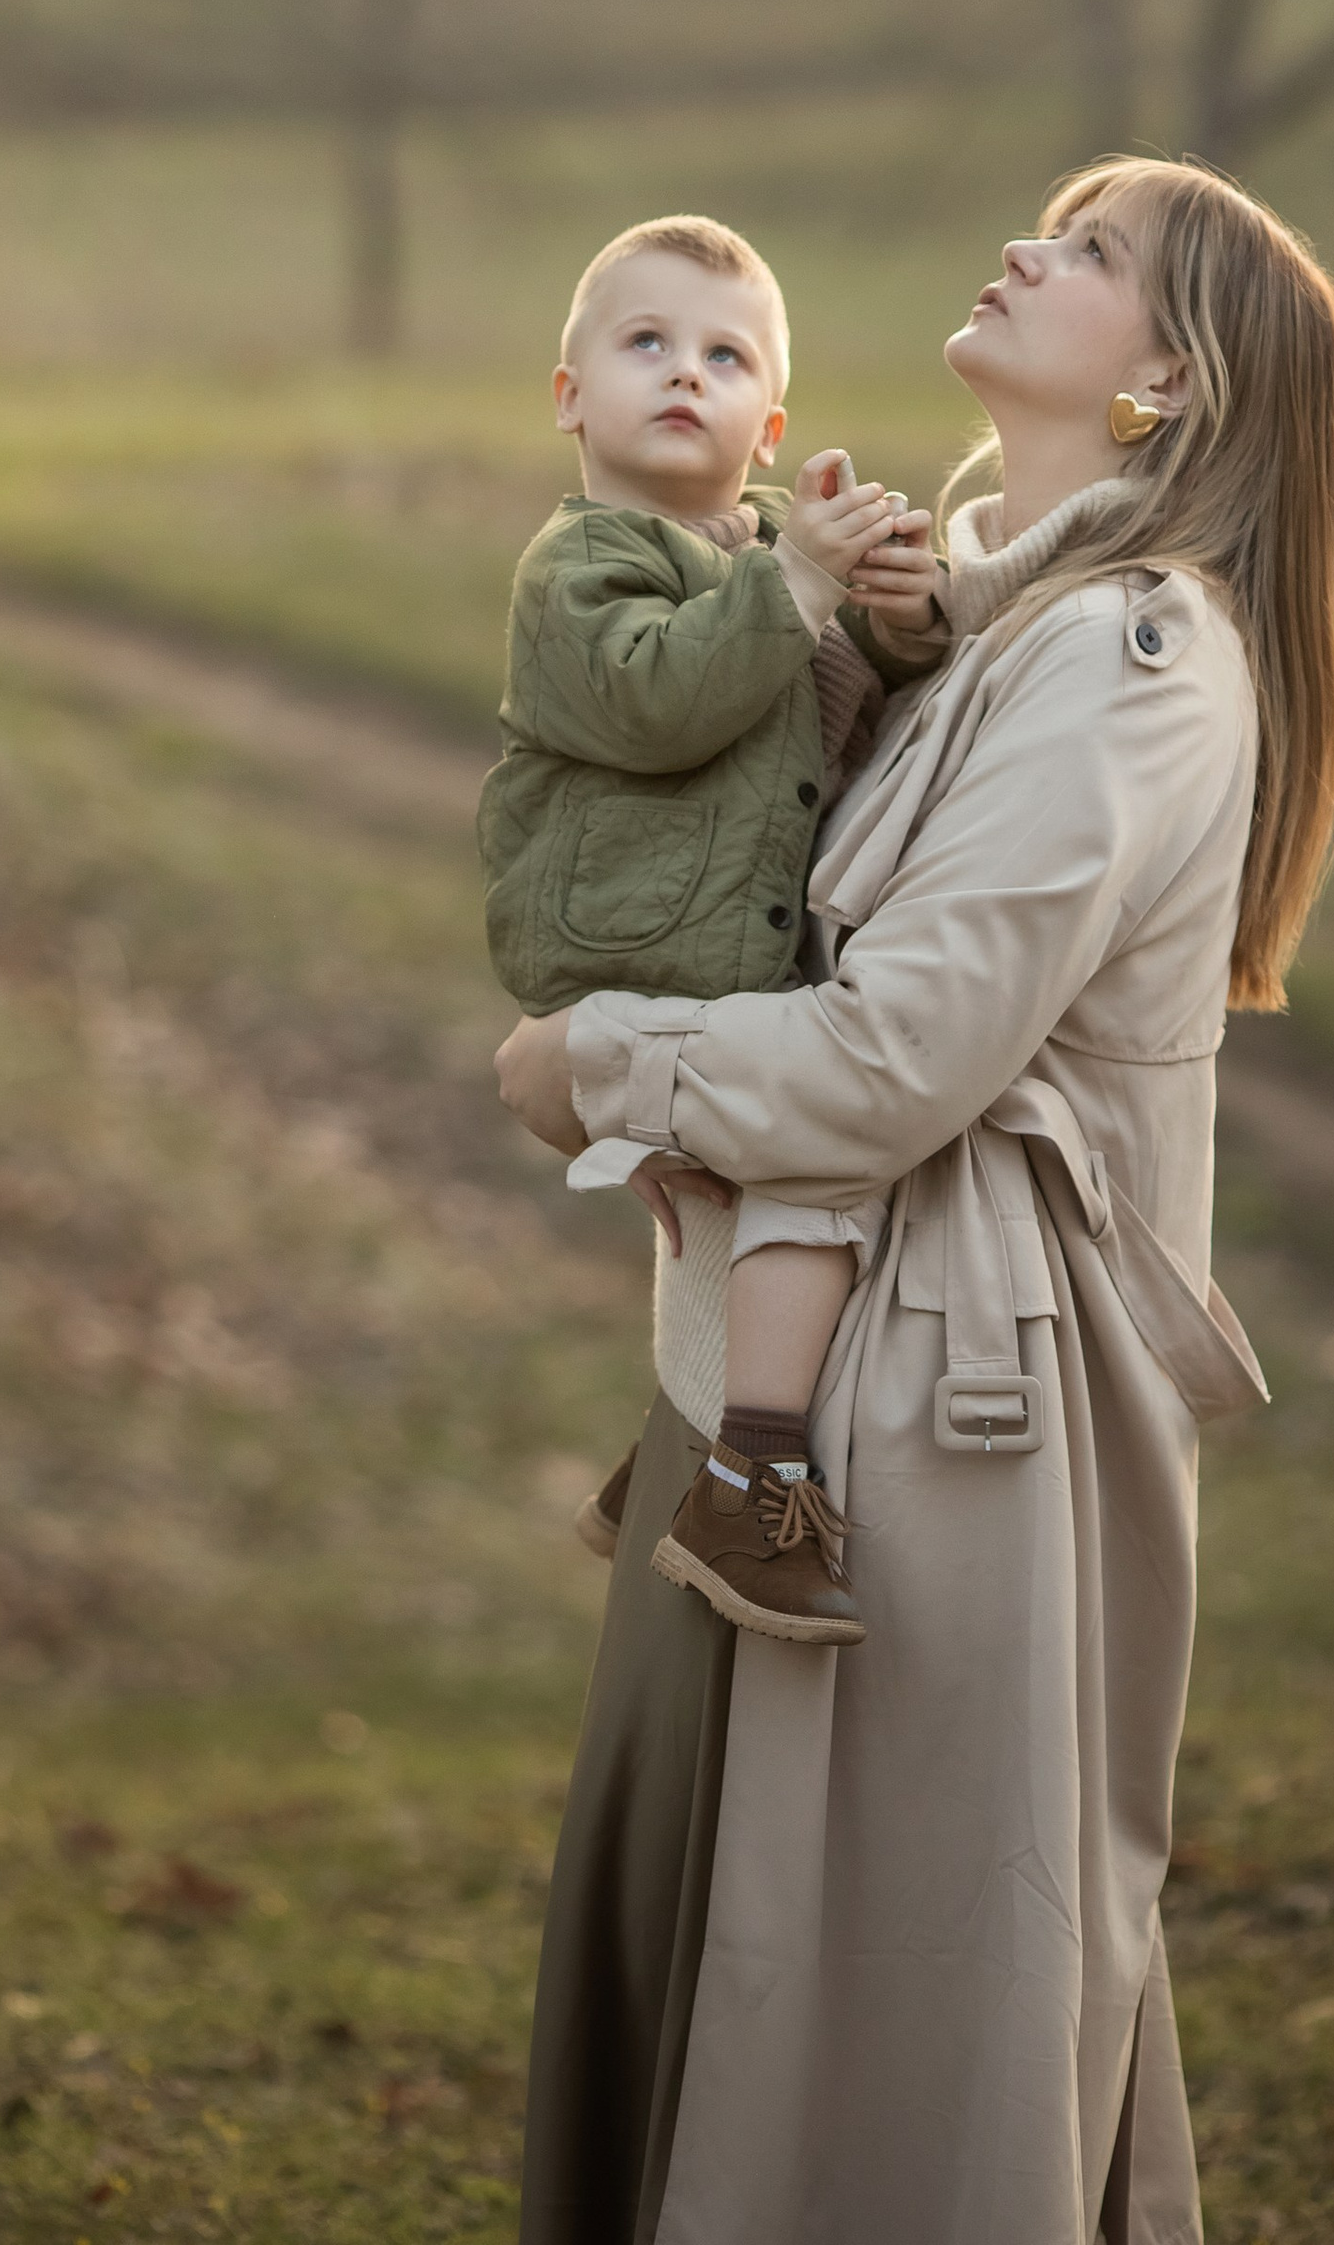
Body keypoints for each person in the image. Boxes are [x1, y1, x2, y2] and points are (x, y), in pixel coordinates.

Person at [496, 156, 1334, 2245]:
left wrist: (590, 1065)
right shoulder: (994, 631)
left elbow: (900, 1051)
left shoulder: (1134, 661)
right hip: (786, 1369)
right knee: (721, 1957)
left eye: (1091, 251)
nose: (1026, 249)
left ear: (1169, 377)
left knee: (873, 2023)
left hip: (941, 1430)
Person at [482, 214, 942, 1645]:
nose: (688, 372)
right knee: (808, 1170)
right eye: (648, 344)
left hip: (720, 941)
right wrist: (797, 583)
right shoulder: (577, 566)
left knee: (746, 1208)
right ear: (571, 398)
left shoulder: (767, 550)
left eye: (726, 356)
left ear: (771, 422)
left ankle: (683, 1449)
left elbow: (835, 699)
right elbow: (660, 699)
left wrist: (897, 617)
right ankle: (749, 1476)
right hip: (632, 939)